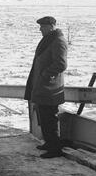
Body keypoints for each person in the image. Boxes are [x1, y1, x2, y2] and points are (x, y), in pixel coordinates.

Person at [24, 16, 68, 159]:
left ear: (51, 26)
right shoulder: (50, 39)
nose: (40, 29)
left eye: (42, 26)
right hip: (44, 86)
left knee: (50, 117)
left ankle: (55, 149)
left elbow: (61, 64)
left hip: (50, 87)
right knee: (44, 115)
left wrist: (45, 74)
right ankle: (49, 143)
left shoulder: (58, 41)